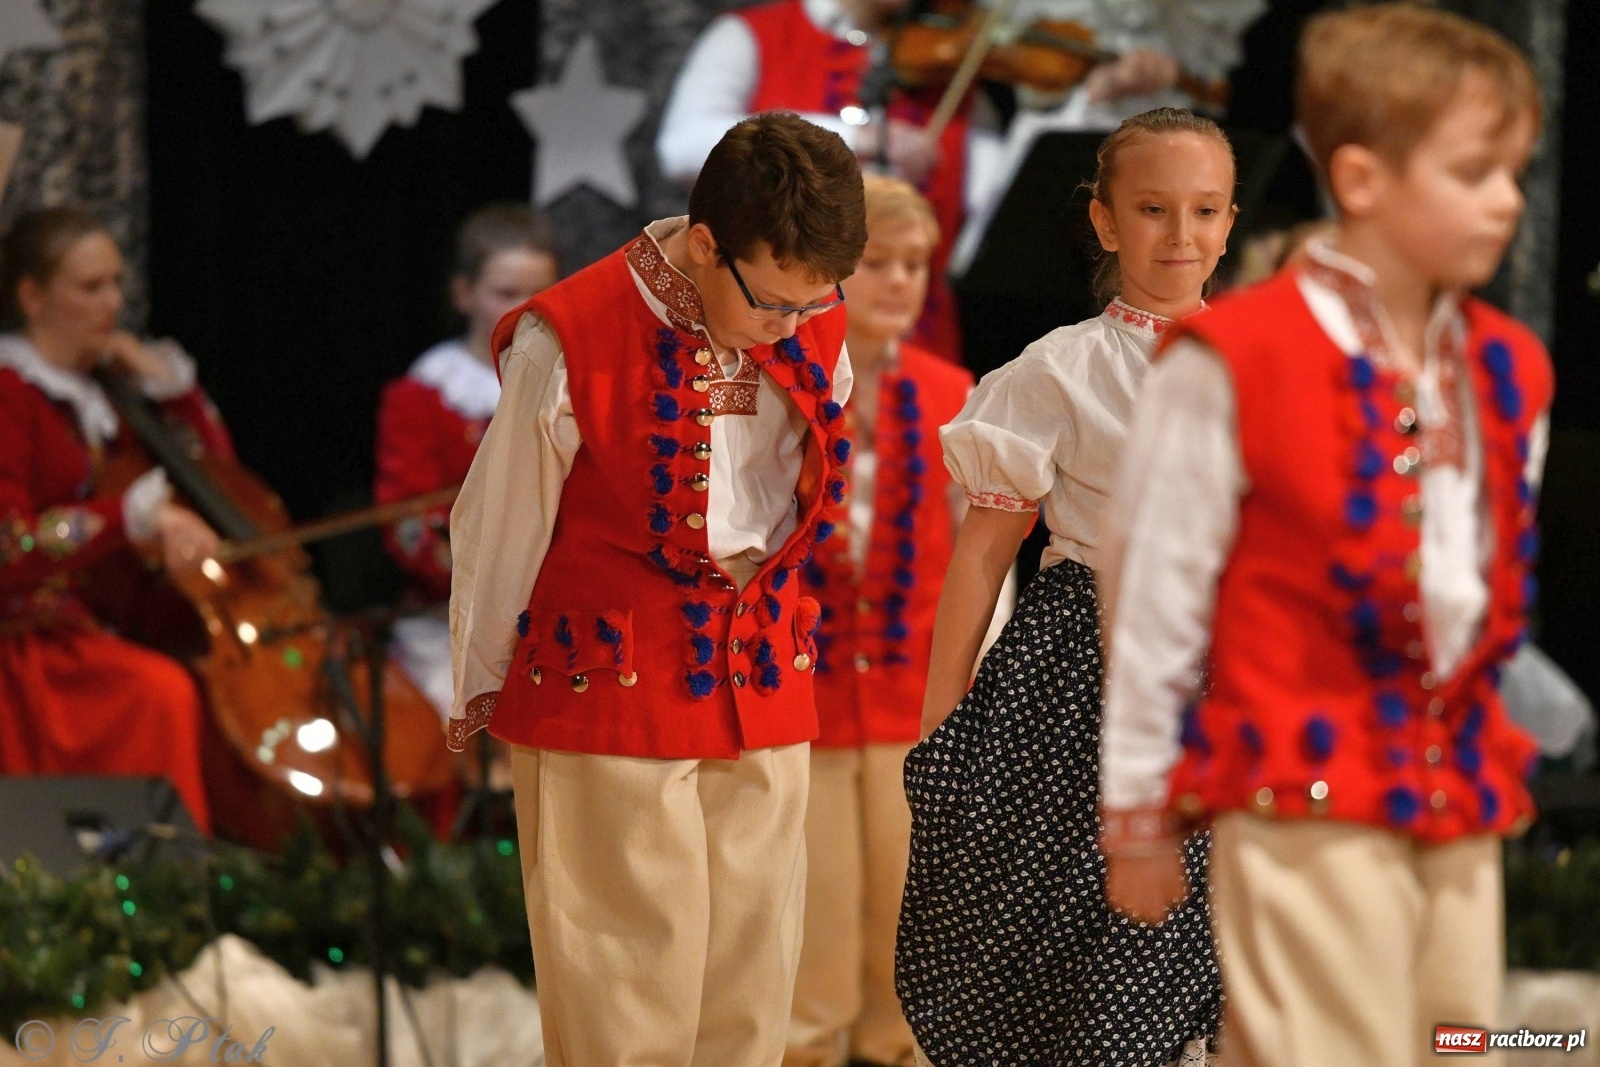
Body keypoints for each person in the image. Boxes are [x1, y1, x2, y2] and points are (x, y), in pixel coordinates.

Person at [1097, 9, 1549, 1067]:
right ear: (1360, 179)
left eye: (1514, 172)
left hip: (1454, 786)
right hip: (1299, 795)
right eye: (1474, 172)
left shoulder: (1506, 364)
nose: (1508, 201)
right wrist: (1137, 807)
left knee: (1458, 1041)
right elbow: (1152, 599)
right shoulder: (1236, 355)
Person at [448, 112, 865, 1066]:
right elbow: (500, 525)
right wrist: (479, 685)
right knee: (626, 998)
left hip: (761, 683)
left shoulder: (810, 312)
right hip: (611, 690)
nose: (793, 327)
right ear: (707, 245)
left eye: (813, 305)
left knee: (750, 999)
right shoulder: (572, 334)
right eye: (774, 304)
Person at [898, 108, 1235, 1066]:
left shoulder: (1271, 362)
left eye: (1204, 210)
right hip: (1082, 677)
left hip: (1232, 676)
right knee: (1094, 947)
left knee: (1222, 953)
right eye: (1154, 208)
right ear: (1105, 221)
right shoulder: (1060, 369)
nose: (1181, 234)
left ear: (1229, 223)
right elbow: (983, 553)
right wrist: (939, 725)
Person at [786, 174, 972, 1067]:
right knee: (812, 916)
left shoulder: (951, 393)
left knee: (912, 917)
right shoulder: (786, 384)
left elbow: (981, 562)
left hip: (914, 703)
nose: (900, 282)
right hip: (806, 705)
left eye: (915, 265)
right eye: (880, 264)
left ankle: (902, 1051)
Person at [0, 206, 229, 834]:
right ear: (32, 296)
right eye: (91, 286)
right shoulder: (11, 392)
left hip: (106, 621)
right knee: (160, 692)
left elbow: (220, 482)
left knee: (199, 680)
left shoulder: (104, 390)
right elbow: (8, 542)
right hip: (26, 639)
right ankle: (159, 870)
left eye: (117, 284)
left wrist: (168, 388)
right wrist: (127, 518)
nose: (113, 303)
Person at [656, 0, 1005, 363]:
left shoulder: (952, 64)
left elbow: (996, 209)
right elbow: (681, 147)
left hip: (909, 348)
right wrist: (858, 138)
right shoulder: (749, 36)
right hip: (765, 334)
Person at [375, 203, 558, 723]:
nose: (525, 309)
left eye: (539, 293)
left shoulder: (575, 388)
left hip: (560, 615)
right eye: (505, 293)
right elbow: (409, 523)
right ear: (464, 294)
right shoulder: (425, 395)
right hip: (453, 622)